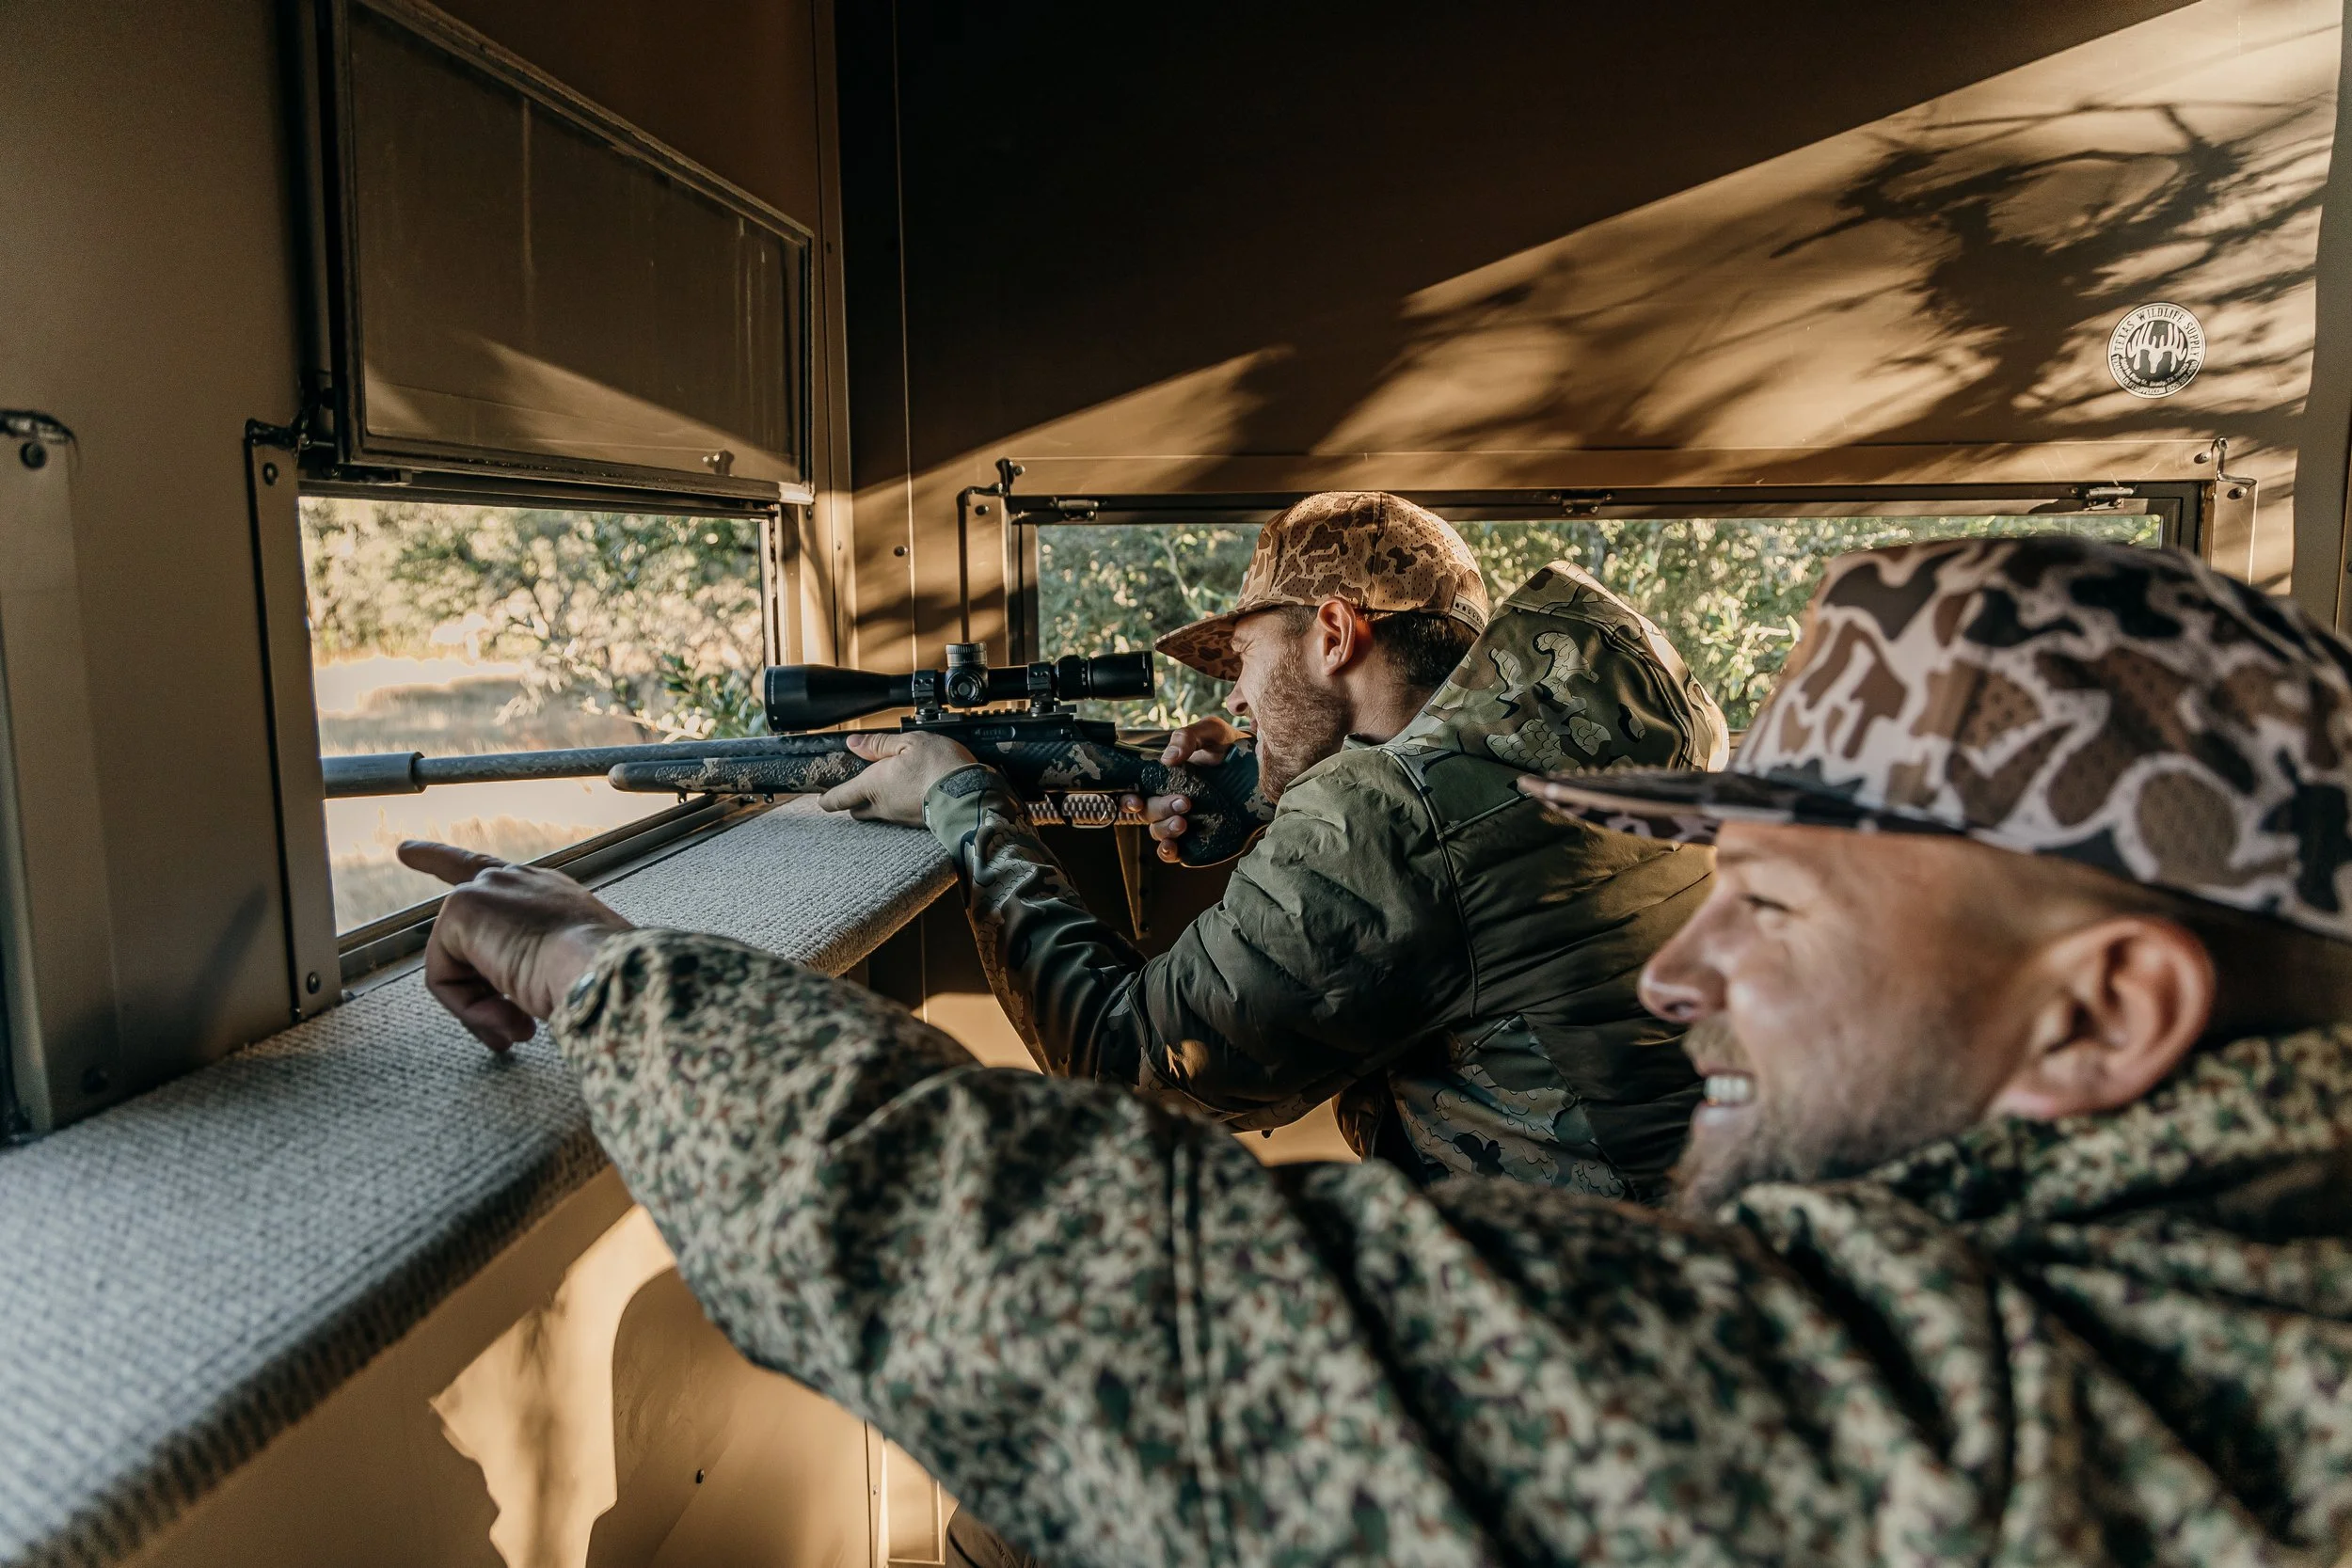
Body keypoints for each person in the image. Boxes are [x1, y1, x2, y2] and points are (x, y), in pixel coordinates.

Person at [402, 533, 2352, 1564]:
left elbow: (1121, 1275)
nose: (1683, 977)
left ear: (2104, 1013)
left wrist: (614, 974)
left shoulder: (2018, 1424)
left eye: (1766, 902)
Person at [817, 490, 1730, 1198]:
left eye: (1246, 657)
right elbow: (1444, 867)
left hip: (1558, 1317)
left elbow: (1122, 1061)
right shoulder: (1561, 751)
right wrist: (1268, 794)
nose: (1238, 700)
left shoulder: (1388, 813)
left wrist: (962, 799)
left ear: (1332, 632)